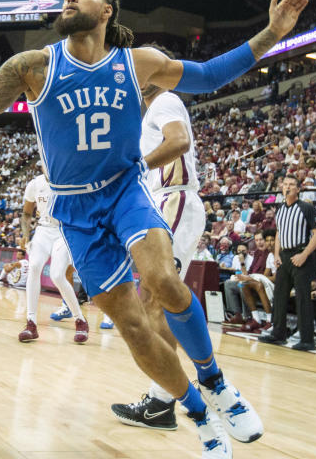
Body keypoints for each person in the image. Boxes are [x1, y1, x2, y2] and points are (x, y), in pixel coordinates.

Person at [0, 0, 311, 457]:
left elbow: (211, 75)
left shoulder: (138, 63)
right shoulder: (33, 65)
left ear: (108, 10)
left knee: (163, 281)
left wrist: (272, 34)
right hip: (74, 208)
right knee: (133, 326)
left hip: (125, 190)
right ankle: (198, 415)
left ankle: (217, 384)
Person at [111, 83, 209, 430]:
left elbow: (179, 140)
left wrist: (137, 167)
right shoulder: (143, 119)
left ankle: (163, 400)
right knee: (153, 298)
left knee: (158, 298)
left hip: (176, 199)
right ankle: (178, 391)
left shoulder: (165, 100)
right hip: (161, 204)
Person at [17, 168, 88, 344]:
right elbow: (26, 213)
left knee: (57, 275)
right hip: (43, 229)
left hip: (63, 230)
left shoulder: (69, 179)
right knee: (34, 267)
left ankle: (80, 320)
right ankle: (31, 323)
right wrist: (25, 235)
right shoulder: (35, 184)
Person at [258, 174, 316, 351]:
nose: (287, 187)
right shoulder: (280, 209)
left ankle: (307, 339)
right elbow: (279, 233)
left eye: (292, 184)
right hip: (285, 257)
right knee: (279, 296)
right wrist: (277, 254)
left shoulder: (306, 208)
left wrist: (304, 254)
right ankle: (278, 333)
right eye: (285, 184)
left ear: (298, 189)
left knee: (303, 298)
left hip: (301, 254)